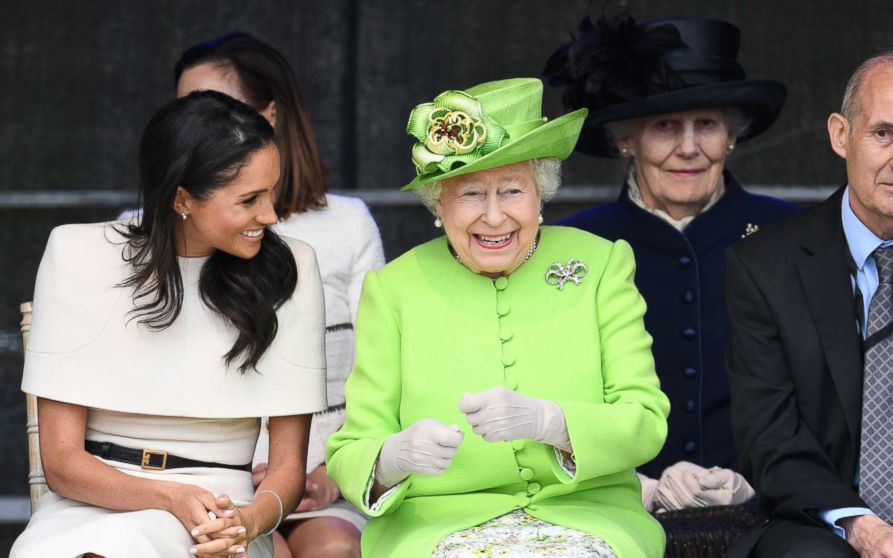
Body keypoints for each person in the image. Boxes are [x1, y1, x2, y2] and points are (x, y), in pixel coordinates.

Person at [326, 78, 670, 557]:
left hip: (589, 516)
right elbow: (352, 447)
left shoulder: (601, 265)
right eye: (470, 193)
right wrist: (392, 458)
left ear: (540, 195)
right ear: (438, 204)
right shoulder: (393, 289)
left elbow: (646, 419)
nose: (493, 217)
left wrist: (553, 422)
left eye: (512, 190)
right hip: (435, 529)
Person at [11, 91, 326, 558]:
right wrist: (170, 498)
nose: (271, 215)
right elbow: (62, 466)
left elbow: (285, 475)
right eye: (249, 199)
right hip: (89, 504)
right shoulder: (77, 254)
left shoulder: (290, 268)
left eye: (272, 192)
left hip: (222, 508)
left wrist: (244, 523)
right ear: (183, 198)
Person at [724, 48, 893, 557]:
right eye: (883, 134)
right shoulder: (765, 267)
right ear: (840, 135)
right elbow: (769, 438)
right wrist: (859, 526)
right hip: (826, 511)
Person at [542, 14, 796, 510]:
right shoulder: (574, 247)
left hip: (769, 512)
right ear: (625, 139)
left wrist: (758, 483)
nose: (688, 148)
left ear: (732, 136)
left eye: (706, 125)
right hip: (614, 509)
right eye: (664, 127)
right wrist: (637, 487)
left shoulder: (791, 235)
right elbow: (554, 399)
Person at [174, 32, 385, 558]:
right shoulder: (149, 234)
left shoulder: (345, 224)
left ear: (269, 117)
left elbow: (382, 369)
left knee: (334, 549)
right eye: (184, 112)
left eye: (216, 110)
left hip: (320, 484)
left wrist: (331, 475)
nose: (193, 131)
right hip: (201, 488)